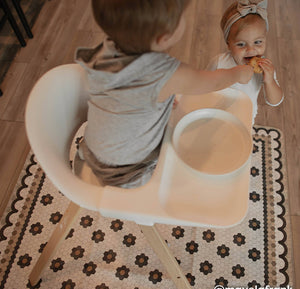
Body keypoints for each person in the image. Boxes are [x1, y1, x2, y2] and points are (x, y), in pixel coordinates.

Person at [75, 0, 253, 188]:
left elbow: (128, 97)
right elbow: (214, 81)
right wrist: (237, 74)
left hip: (93, 151)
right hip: (126, 173)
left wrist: (160, 102)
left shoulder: (106, 51)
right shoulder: (166, 75)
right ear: (163, 38)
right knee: (186, 180)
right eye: (182, 17)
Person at [206, 0, 284, 123]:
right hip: (215, 115)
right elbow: (204, 84)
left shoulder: (264, 69)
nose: (251, 49)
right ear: (229, 44)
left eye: (258, 42)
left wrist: (270, 80)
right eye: (241, 44)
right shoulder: (219, 62)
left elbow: (275, 101)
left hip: (244, 119)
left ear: (265, 39)